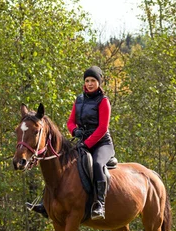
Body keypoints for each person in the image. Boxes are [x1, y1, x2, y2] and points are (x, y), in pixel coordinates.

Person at [27, 66, 115, 220]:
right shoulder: (79, 100)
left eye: (93, 81)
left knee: (96, 163)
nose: (89, 83)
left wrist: (87, 143)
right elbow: (70, 122)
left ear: (99, 83)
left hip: (102, 144)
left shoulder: (103, 101)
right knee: (59, 165)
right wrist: (75, 131)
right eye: (87, 81)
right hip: (82, 141)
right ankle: (45, 202)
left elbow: (102, 128)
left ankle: (100, 204)